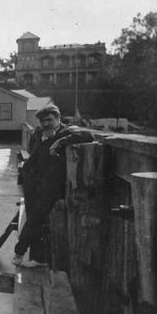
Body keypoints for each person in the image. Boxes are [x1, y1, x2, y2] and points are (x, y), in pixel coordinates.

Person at [12, 105, 94, 268]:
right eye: (43, 121)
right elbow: (32, 151)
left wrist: (61, 141)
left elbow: (88, 135)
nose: (46, 124)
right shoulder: (37, 133)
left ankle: (19, 253)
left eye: (49, 120)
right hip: (33, 183)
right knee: (33, 217)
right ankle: (38, 258)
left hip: (51, 185)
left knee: (35, 219)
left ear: (58, 118)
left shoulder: (66, 132)